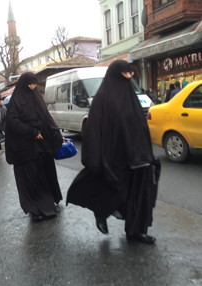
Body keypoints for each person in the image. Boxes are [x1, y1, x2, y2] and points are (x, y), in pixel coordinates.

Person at [66, 60, 161, 244]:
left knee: (139, 194)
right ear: (116, 73)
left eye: (130, 73)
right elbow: (94, 129)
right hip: (116, 157)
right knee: (118, 192)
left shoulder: (130, 93)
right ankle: (101, 212)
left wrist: (146, 151)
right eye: (125, 73)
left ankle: (136, 231)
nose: (128, 76)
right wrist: (96, 157)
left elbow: (139, 125)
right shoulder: (103, 98)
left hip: (138, 156)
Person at [5, 72, 63, 221]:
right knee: (31, 178)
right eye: (30, 84)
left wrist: (56, 133)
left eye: (34, 83)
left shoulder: (37, 97)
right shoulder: (16, 101)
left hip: (41, 145)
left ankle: (48, 203)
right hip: (24, 147)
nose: (32, 86)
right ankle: (34, 208)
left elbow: (46, 118)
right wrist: (31, 132)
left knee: (44, 174)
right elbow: (12, 121)